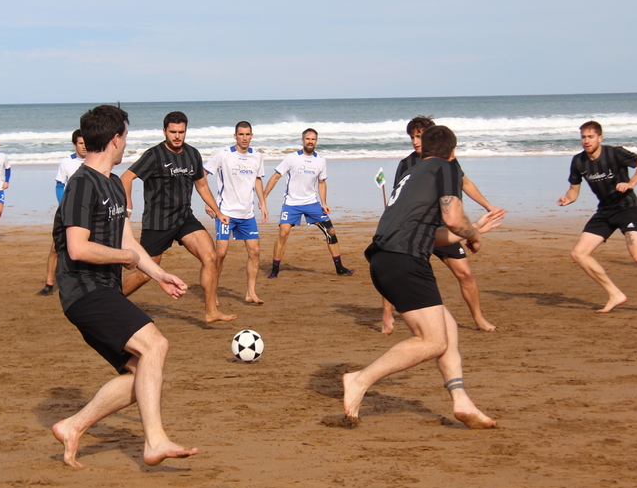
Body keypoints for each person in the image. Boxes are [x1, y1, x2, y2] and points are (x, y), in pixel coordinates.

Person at [50, 104, 198, 468]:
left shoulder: (114, 184)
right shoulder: (81, 184)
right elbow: (78, 248)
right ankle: (155, 441)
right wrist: (125, 258)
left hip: (105, 290)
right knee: (156, 345)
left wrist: (159, 274)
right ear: (115, 139)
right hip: (84, 291)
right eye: (126, 137)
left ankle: (73, 426)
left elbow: (128, 242)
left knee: (147, 373)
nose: (126, 144)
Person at [343, 125, 501, 428]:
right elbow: (452, 219)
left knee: (447, 329)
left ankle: (461, 401)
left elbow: (433, 236)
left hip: (386, 259)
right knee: (433, 341)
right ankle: (359, 380)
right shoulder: (447, 167)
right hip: (404, 261)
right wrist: (474, 235)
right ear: (452, 152)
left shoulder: (413, 172)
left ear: (424, 148)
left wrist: (474, 229)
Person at [380, 116, 502, 334]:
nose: (415, 141)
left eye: (419, 136)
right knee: (396, 269)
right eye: (412, 137)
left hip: (442, 228)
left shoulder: (447, 162)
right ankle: (387, 316)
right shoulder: (406, 164)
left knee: (465, 273)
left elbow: (464, 183)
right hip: (416, 229)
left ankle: (478, 318)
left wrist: (488, 206)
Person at [557, 121, 637, 316]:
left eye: (591, 137)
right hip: (605, 211)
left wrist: (631, 183)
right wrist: (568, 198)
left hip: (627, 208)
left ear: (600, 138)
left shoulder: (614, 153)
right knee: (579, 253)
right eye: (583, 137)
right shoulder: (578, 161)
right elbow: (574, 190)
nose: (586, 141)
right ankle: (615, 294)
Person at [120, 111, 236, 323]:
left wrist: (218, 212)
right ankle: (111, 301)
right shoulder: (154, 155)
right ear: (164, 131)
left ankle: (211, 311)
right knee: (145, 274)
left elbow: (202, 186)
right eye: (173, 132)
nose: (177, 136)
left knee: (210, 257)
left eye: (181, 132)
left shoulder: (192, 154)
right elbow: (126, 178)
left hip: (184, 218)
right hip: (158, 223)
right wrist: (128, 207)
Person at [262, 128, 354, 277]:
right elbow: (276, 176)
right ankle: (275, 270)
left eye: (313, 139)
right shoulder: (292, 158)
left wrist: (324, 202)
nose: (310, 141)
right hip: (291, 204)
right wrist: (264, 196)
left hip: (312, 203)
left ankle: (340, 268)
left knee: (330, 231)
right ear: (302, 140)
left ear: (316, 141)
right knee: (283, 233)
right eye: (308, 139)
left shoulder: (320, 160)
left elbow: (322, 182)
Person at [203, 121, 269, 305]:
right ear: (235, 136)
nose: (244, 138)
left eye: (247, 134)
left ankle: (251, 293)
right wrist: (209, 202)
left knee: (255, 251)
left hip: (247, 213)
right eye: (241, 134)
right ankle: (213, 292)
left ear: (252, 136)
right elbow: (202, 175)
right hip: (225, 212)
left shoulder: (257, 156)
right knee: (221, 253)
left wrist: (263, 202)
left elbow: (257, 180)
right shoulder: (224, 155)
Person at [37, 130, 88, 296]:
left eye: (86, 143)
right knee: (55, 247)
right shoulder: (67, 162)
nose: (84, 146)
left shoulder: (94, 160)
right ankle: (49, 284)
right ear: (74, 145)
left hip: (88, 211)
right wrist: (64, 204)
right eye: (81, 143)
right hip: (68, 210)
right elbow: (59, 185)